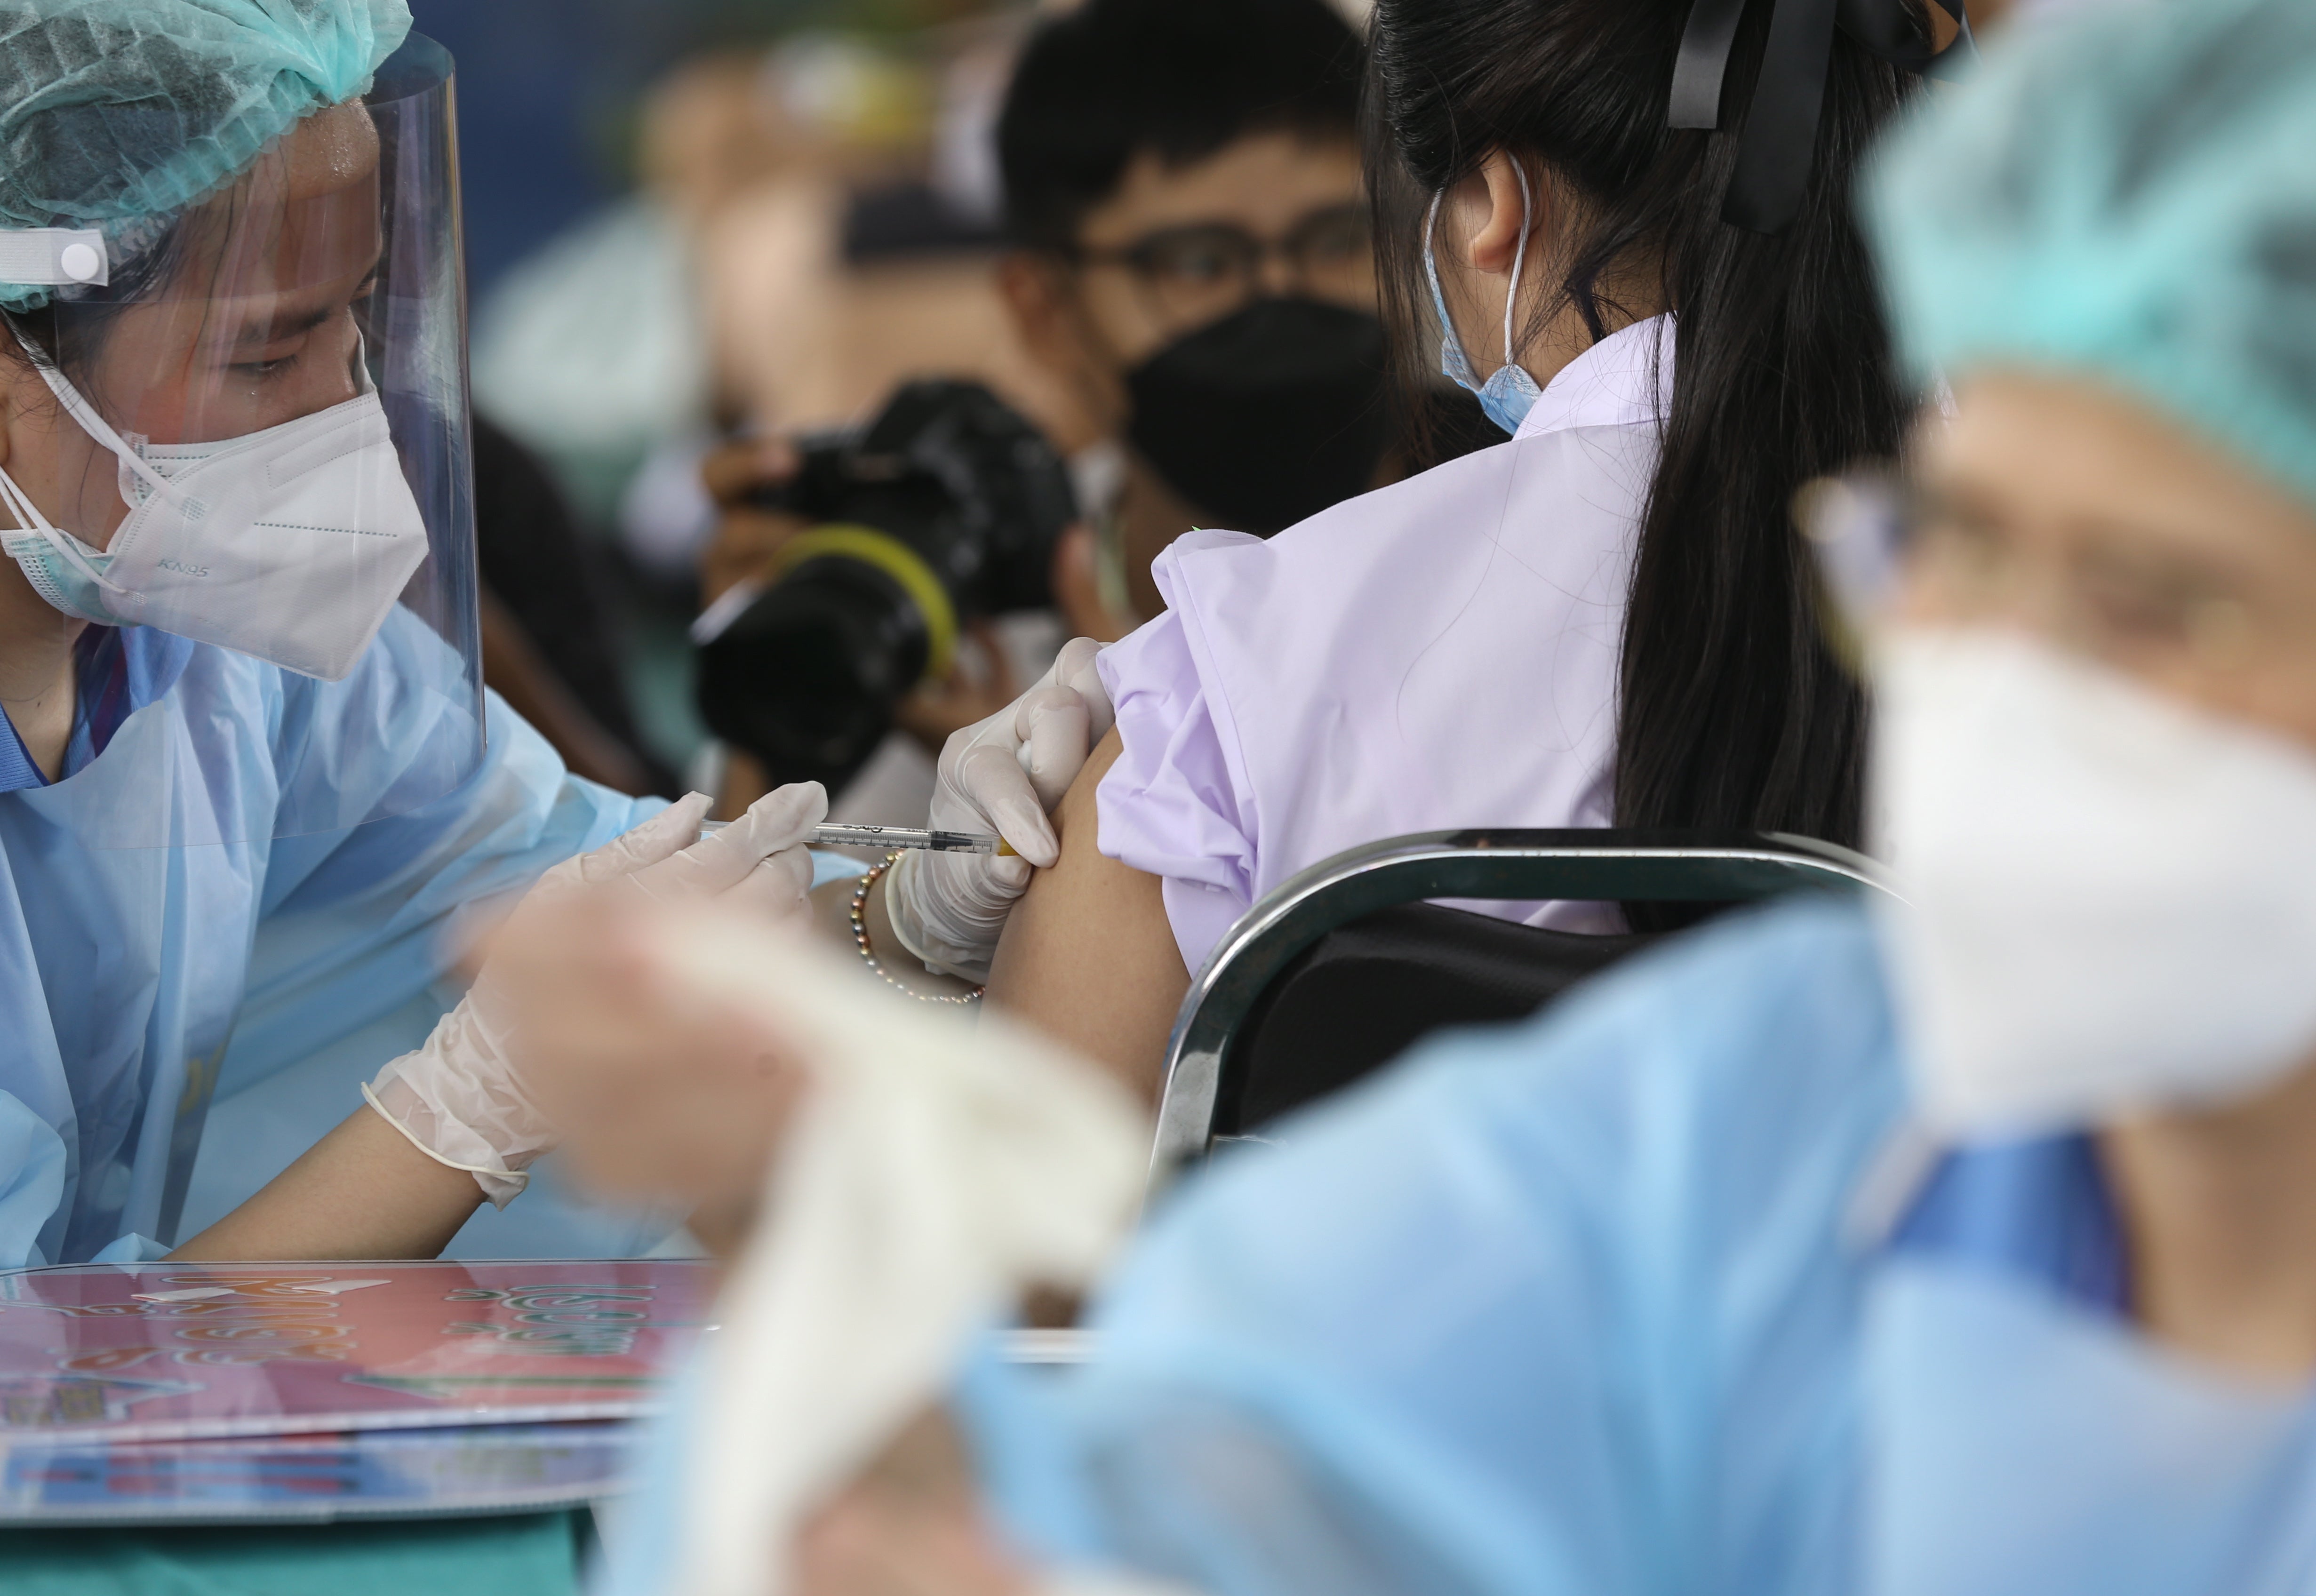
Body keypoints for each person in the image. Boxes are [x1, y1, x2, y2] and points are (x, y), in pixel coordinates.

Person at [497, 0, 2316, 1589]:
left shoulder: (1241, 666)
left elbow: (1046, 1300)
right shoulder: (1740, 1129)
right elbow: (1079, 1491)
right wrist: (820, 1268)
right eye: (1958, 553)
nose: (2006, 684)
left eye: (2155, 601)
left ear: (1487, 202)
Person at [843, 0, 1967, 1089]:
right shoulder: (2099, 574)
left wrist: (899, 918)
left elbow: (1032, 1250)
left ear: (1488, 204)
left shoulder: (1223, 702)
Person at [0, 0, 831, 1267]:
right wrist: (457, 1118)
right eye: (269, 352)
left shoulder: (213, 651)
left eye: (360, 319)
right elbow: (38, 1401)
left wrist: (904, 895)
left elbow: (581, 870)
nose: (354, 411)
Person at [696, 0, 1387, 831]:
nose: (1278, 300)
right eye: (1202, 262)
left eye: (1339, 240)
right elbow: (736, 932)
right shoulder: (969, 612)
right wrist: (784, 692)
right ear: (1045, 311)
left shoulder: (1524, 544)